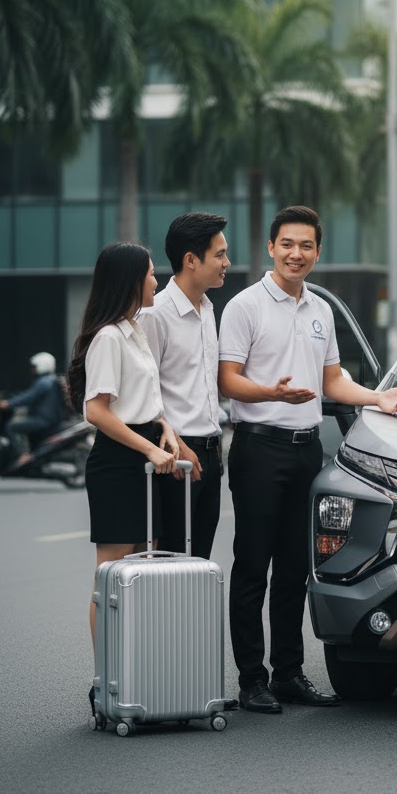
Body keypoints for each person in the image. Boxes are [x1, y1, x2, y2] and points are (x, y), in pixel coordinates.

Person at [218, 205, 397, 713]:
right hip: (259, 447)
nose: (296, 254)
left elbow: (332, 382)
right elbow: (228, 379)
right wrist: (272, 393)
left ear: (317, 252)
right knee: (253, 566)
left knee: (294, 569)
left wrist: (377, 398)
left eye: (306, 246)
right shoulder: (244, 306)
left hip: (307, 450)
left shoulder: (320, 309)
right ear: (271, 247)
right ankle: (251, 680)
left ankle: (288, 674)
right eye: (287, 244)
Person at [67, 242, 179, 649]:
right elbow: (96, 411)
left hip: (147, 456)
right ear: (131, 281)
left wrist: (164, 427)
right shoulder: (108, 337)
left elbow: (142, 398)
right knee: (111, 577)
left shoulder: (135, 331)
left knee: (143, 572)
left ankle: (135, 672)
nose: (156, 281)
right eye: (150, 274)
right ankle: (106, 676)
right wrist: (148, 448)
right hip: (118, 462)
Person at [138, 212, 230, 560]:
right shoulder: (155, 314)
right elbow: (143, 393)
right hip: (177, 456)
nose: (227, 262)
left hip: (210, 452)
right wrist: (177, 445)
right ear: (191, 260)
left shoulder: (207, 308)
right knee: (171, 565)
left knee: (199, 563)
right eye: (219, 254)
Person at [0, 351, 66, 466]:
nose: (32, 370)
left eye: (34, 367)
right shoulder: (50, 380)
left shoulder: (44, 382)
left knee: (11, 426)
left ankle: (23, 455)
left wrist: (8, 403)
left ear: (42, 366)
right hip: (51, 419)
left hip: (43, 419)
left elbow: (29, 397)